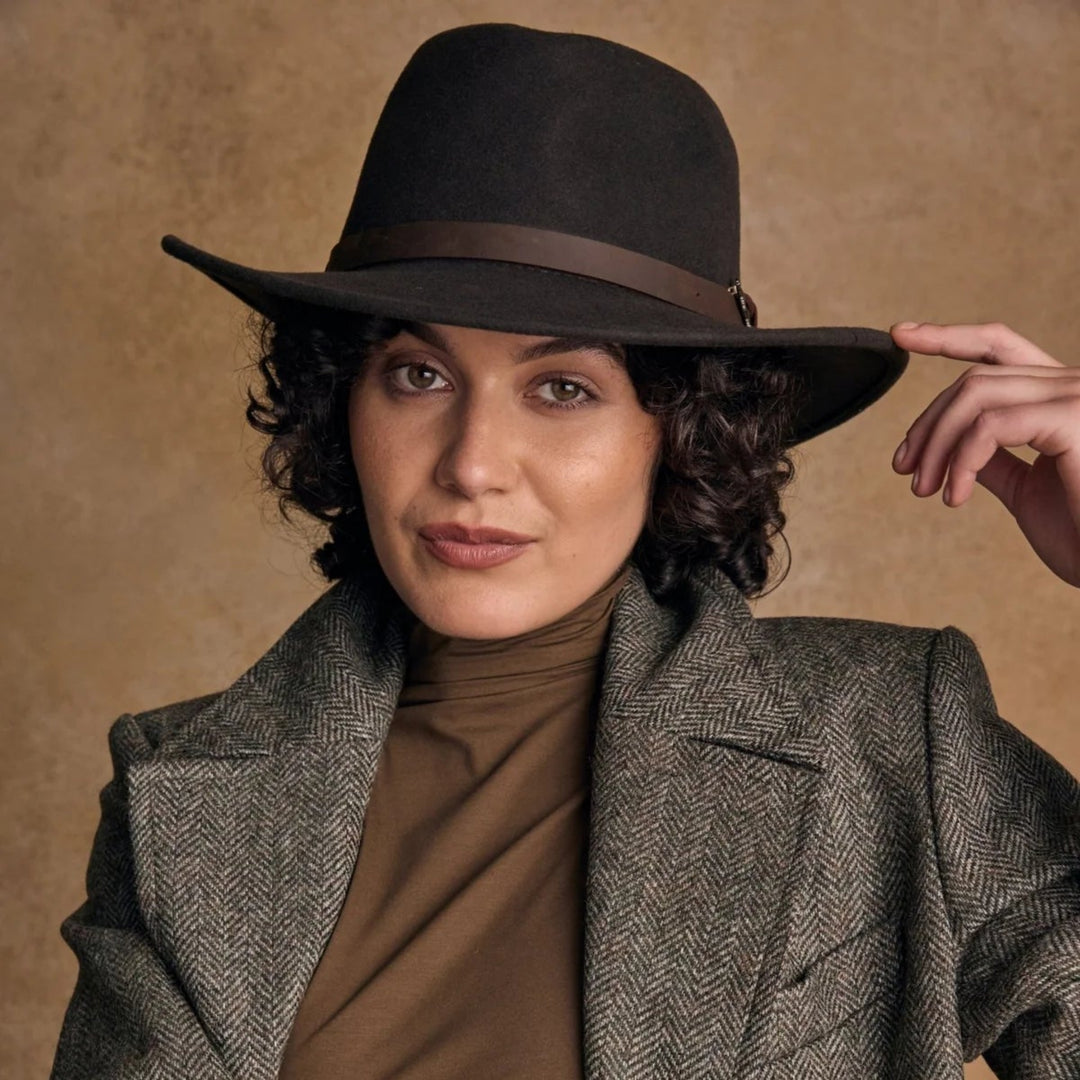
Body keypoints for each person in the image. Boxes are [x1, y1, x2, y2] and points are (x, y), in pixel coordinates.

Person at [49, 22, 1080, 1080]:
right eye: (418, 376)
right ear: (342, 401)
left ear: (673, 432)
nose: (474, 464)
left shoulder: (889, 738)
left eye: (562, 388)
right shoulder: (179, 801)